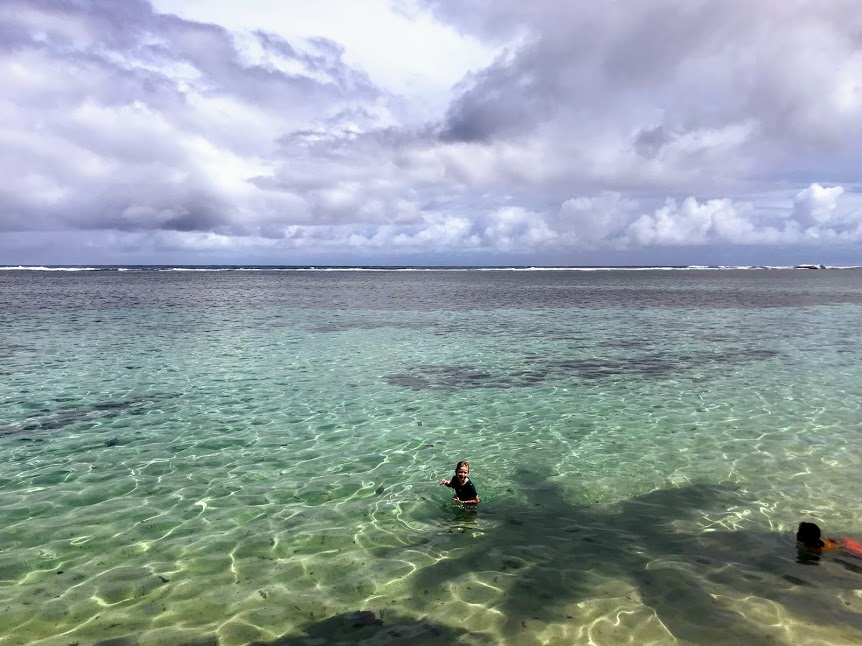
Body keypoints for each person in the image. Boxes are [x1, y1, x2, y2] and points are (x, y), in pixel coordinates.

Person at [796, 521, 862, 556]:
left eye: (799, 532)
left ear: (806, 537)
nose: (797, 534)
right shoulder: (818, 540)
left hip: (849, 548)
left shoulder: (813, 549)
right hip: (846, 541)